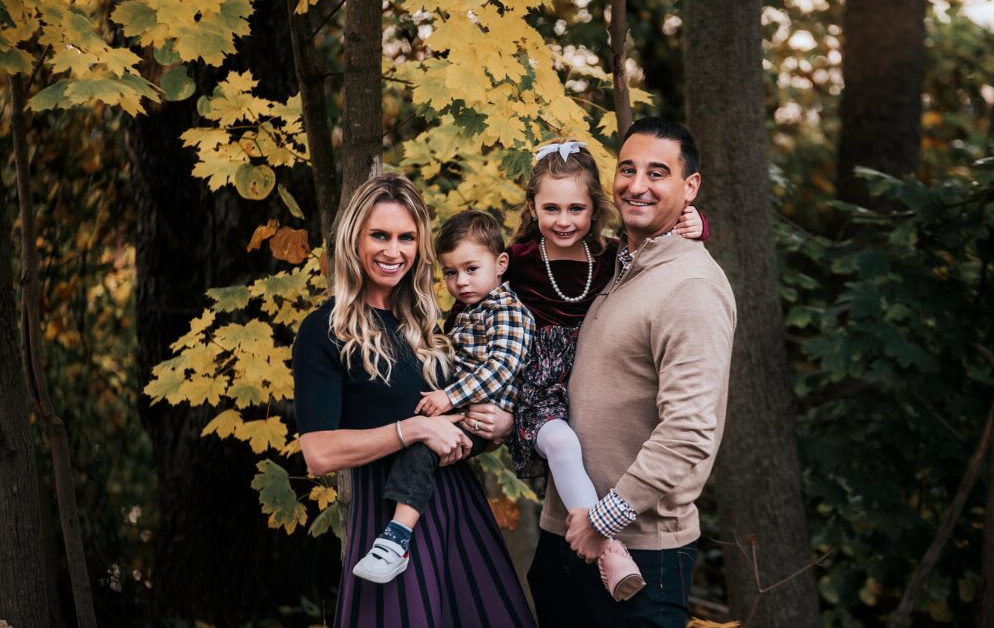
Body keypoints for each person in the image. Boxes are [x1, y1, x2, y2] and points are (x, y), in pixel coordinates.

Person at [448, 140, 706, 601]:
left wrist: (696, 223)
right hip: (538, 390)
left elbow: (659, 256)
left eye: (575, 208)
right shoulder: (517, 260)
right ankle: (607, 548)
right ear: (532, 207)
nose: (563, 220)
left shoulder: (609, 258)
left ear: (594, 208)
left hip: (589, 389)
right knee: (563, 445)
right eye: (550, 208)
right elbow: (471, 309)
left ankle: (600, 535)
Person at [292, 175, 535, 628]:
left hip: (461, 512)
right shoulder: (324, 330)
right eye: (379, 236)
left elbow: (477, 398)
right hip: (388, 522)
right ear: (353, 240)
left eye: (406, 238)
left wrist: (502, 425)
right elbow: (319, 453)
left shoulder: (430, 326)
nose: (393, 251)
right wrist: (413, 429)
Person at [526, 119, 736, 627]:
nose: (636, 184)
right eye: (627, 169)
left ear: (690, 188)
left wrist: (604, 520)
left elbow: (689, 432)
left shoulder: (691, 287)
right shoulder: (614, 264)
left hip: (640, 550)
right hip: (565, 537)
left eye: (657, 173)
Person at [351, 210, 536, 585]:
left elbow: (501, 366)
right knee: (419, 444)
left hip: (485, 412)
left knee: (421, 449)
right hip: (465, 407)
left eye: (471, 269)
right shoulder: (469, 311)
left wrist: (450, 397)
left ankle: (397, 539)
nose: (460, 282)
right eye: (450, 273)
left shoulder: (507, 311)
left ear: (501, 264)